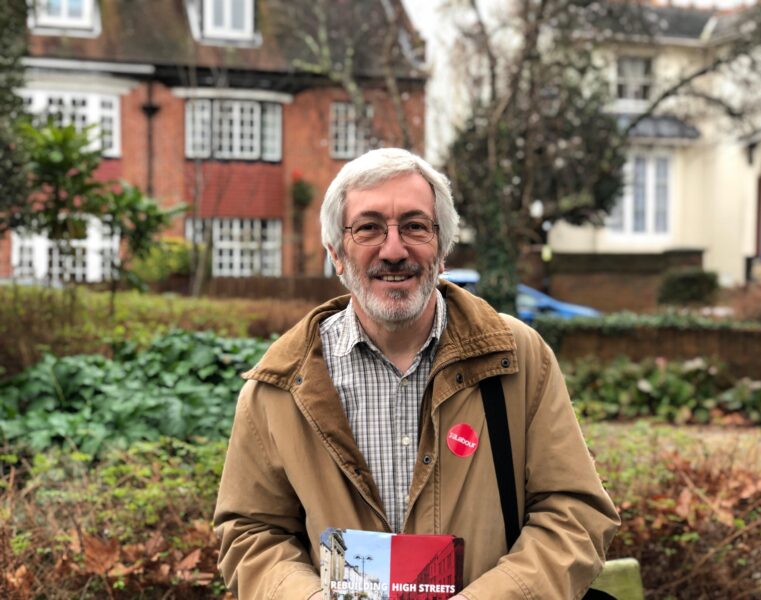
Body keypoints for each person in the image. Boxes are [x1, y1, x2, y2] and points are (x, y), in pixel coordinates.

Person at [213, 148, 619, 599]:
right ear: (336, 254)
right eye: (368, 228)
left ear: (441, 249)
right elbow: (251, 532)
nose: (393, 249)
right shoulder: (281, 384)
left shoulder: (518, 358)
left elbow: (575, 513)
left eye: (414, 226)